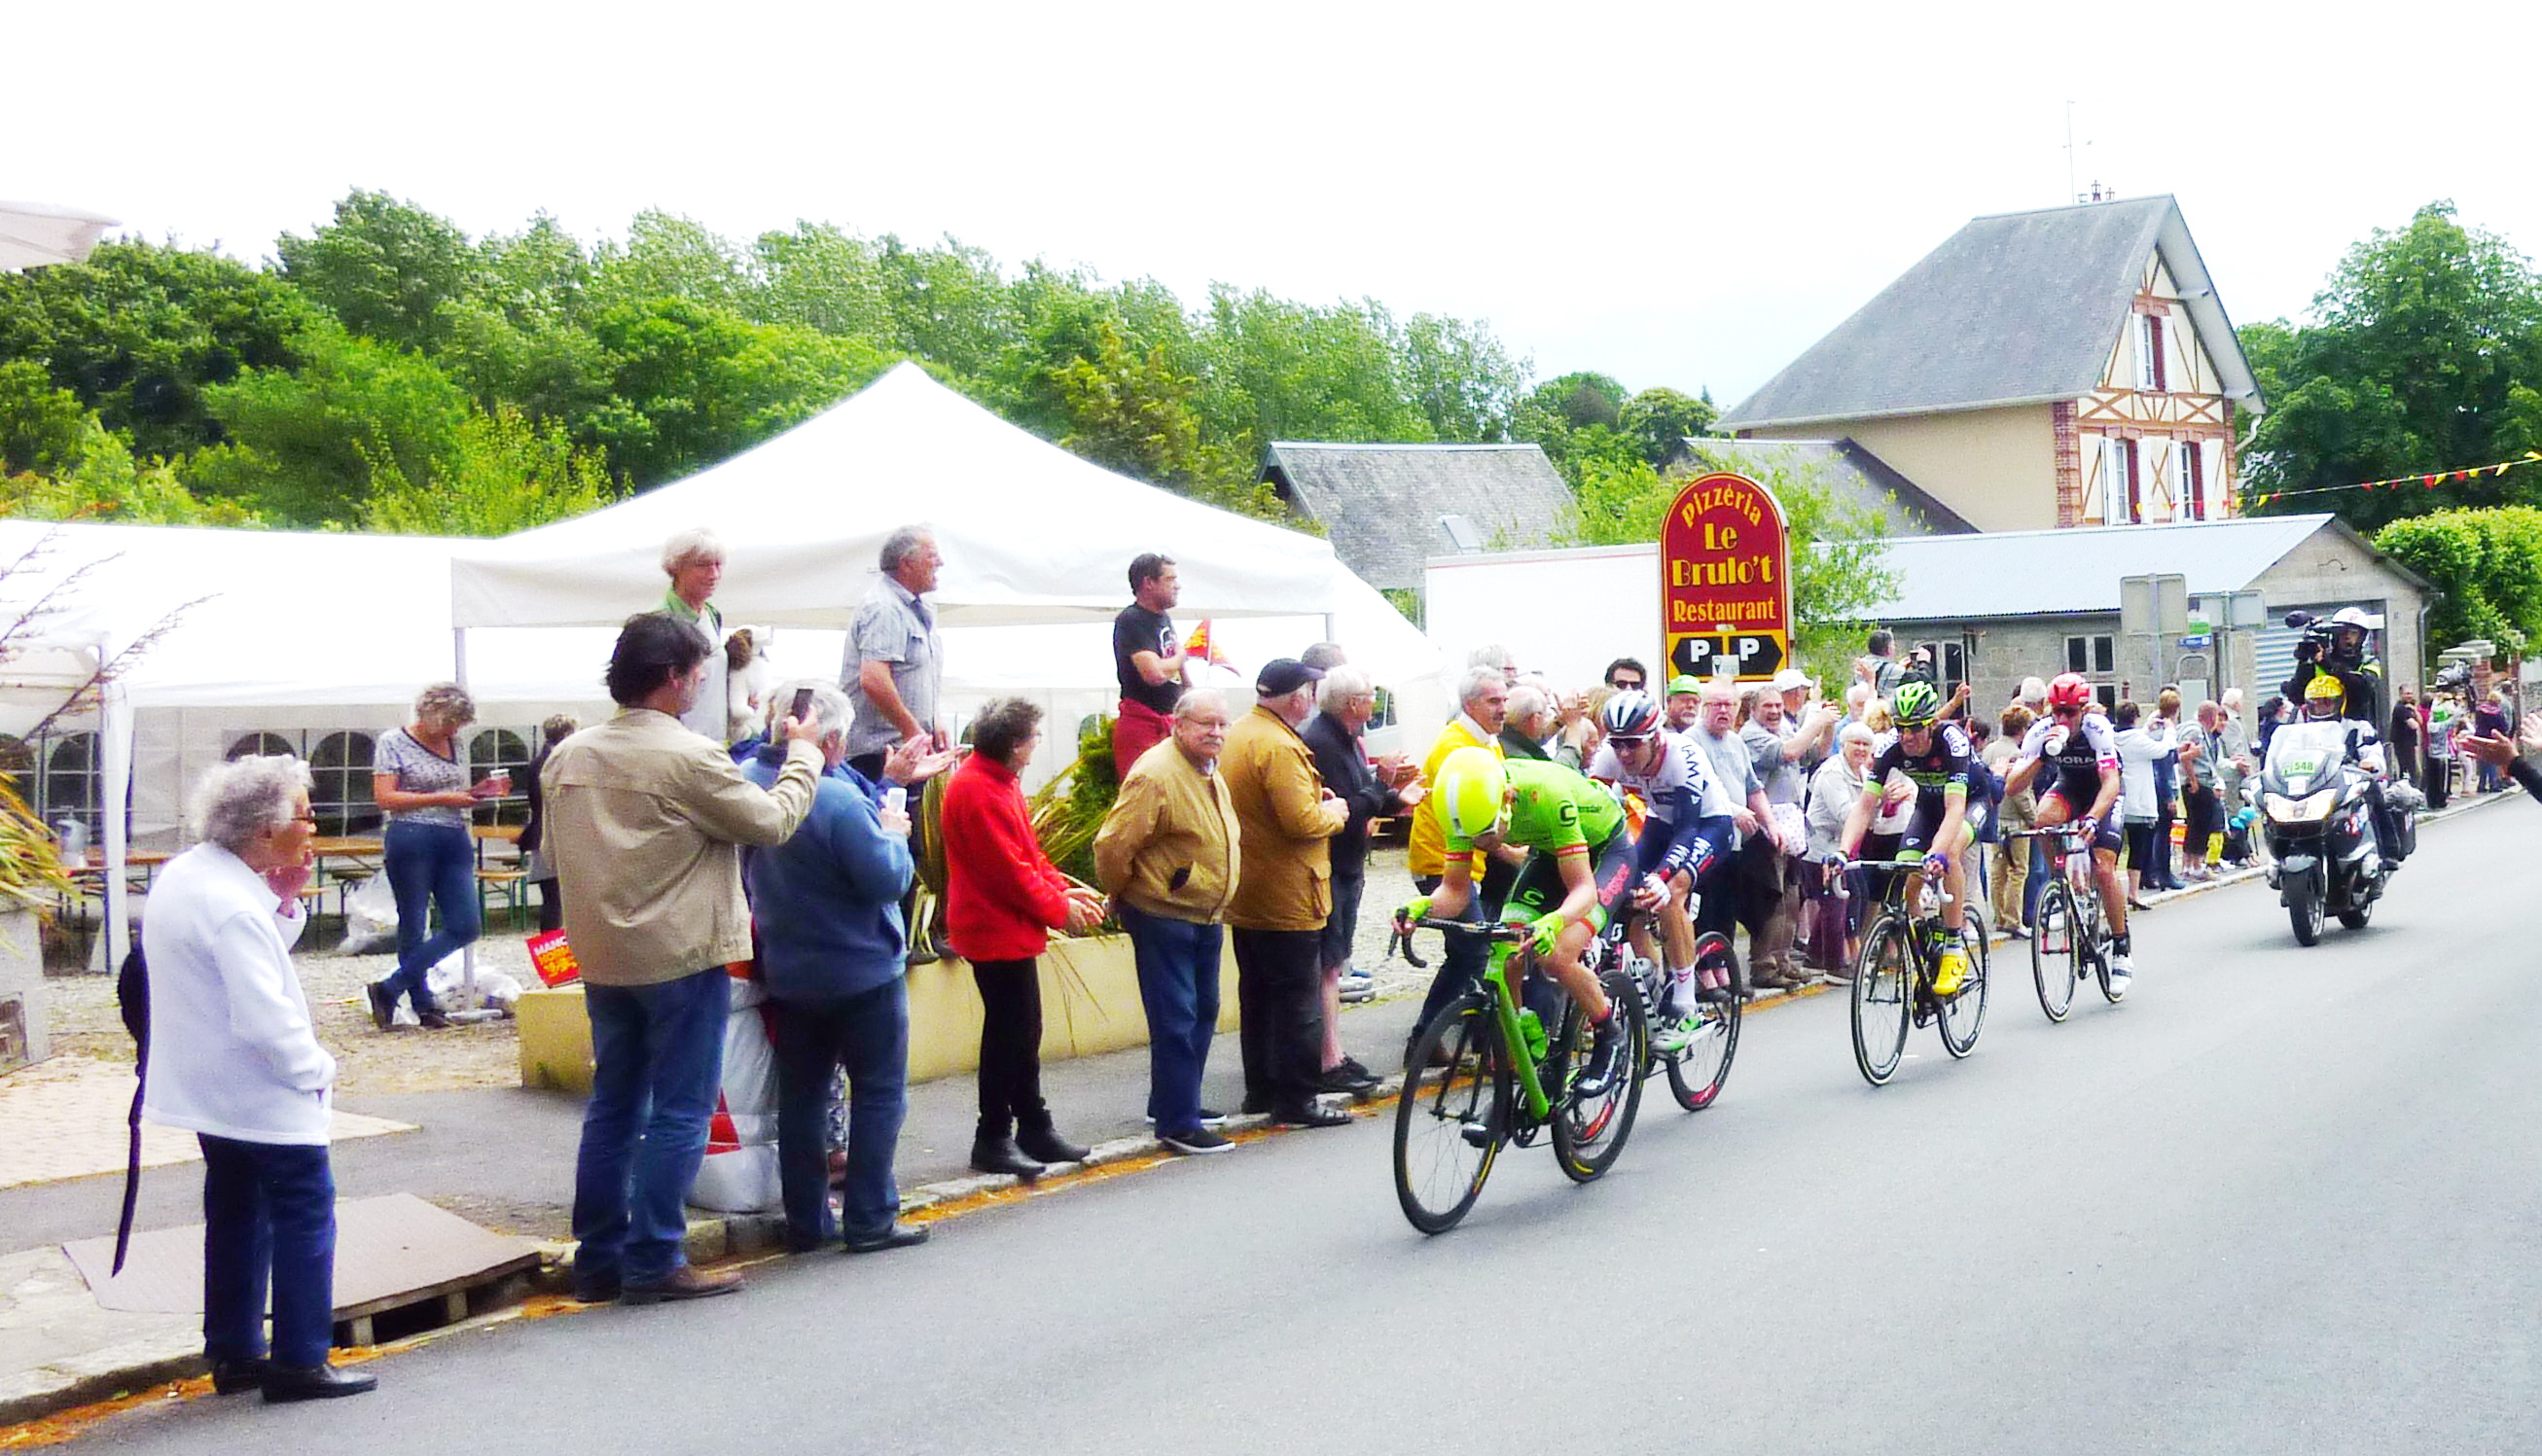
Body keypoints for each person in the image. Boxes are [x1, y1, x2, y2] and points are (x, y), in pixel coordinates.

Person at [543, 612, 823, 1304]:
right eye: (698, 672)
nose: (702, 682)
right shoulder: (687, 754)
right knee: (680, 1108)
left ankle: (600, 1255)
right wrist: (804, 757)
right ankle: (655, 1255)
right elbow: (770, 822)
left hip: (605, 955)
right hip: (681, 952)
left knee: (613, 1105)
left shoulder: (568, 755)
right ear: (673, 678)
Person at [142, 756, 376, 1403]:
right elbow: (265, 1018)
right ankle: (300, 1360)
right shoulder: (230, 904)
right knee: (303, 1211)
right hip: (257, 1089)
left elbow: (248, 951)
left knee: (237, 1212)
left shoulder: (192, 874)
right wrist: (319, 1069)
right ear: (264, 831)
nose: (314, 826)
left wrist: (287, 896)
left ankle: (238, 1348)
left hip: (207, 1086)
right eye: (304, 814)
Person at [739, 682, 929, 1255]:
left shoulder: (750, 785)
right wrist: (895, 831)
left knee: (803, 1097)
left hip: (790, 969)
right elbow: (887, 880)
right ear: (835, 741)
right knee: (878, 1093)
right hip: (861, 970)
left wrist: (891, 782)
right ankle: (870, 1217)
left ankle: (807, 1220)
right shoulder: (837, 801)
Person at [1401, 750, 1633, 1097]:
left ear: (1507, 799)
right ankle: (1520, 1053)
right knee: (1504, 950)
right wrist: (1422, 906)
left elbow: (1583, 889)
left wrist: (1555, 921)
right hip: (1549, 851)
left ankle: (1609, 1036)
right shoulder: (1461, 809)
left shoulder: (1548, 794)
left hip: (1605, 851)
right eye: (1475, 838)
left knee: (1556, 955)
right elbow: (1455, 891)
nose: (1484, 843)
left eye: (1488, 833)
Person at [941, 697, 1108, 1179]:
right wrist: (1062, 908)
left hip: (1003, 926)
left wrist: (1064, 891)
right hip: (992, 928)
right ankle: (993, 1134)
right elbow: (1008, 873)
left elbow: (1028, 857)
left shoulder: (995, 781)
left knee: (1020, 1032)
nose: (1036, 745)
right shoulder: (978, 790)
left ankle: (1032, 1125)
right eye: (1033, 738)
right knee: (1009, 1035)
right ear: (1015, 745)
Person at [1094, 690, 1240, 1155]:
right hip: (1164, 911)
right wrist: (1124, 890)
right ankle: (1179, 1122)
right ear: (1179, 725)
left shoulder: (1207, 768)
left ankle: (1176, 1102)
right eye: (1205, 724)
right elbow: (1112, 845)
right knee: (1177, 1016)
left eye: (1221, 724)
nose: (1215, 733)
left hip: (1202, 911)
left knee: (1202, 1010)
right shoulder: (1157, 774)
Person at [1220, 659, 1352, 1128]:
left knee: (1256, 996)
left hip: (1249, 889)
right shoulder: (1278, 745)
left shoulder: (1241, 732)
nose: (1313, 701)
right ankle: (1297, 1098)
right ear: (1298, 697)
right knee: (1297, 999)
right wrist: (1336, 810)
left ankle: (1261, 1089)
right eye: (1311, 692)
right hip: (1289, 893)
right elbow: (1302, 820)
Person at [1586, 690, 1738, 1029]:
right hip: (1659, 825)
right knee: (1627, 898)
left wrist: (1664, 874)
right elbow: (1589, 811)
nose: (1624, 753)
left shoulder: (1683, 755)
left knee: (1670, 892)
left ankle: (1686, 1002)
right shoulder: (1609, 757)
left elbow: (1687, 829)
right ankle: (1651, 982)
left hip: (1708, 826)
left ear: (1655, 737)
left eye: (1634, 743)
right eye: (1618, 743)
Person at [1302, 666, 1419, 1096]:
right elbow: (1347, 809)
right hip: (1331, 866)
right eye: (1371, 697)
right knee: (1328, 965)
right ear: (1353, 703)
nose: (1374, 704)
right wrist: (1383, 783)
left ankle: (1330, 1054)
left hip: (1346, 866)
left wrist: (1392, 797)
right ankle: (1327, 1058)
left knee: (1333, 963)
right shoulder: (1323, 742)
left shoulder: (1343, 737)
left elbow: (1360, 799)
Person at [367, 683, 505, 1031]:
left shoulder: (454, 744)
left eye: (458, 724)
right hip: (411, 835)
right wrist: (444, 797)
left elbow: (452, 791)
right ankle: (423, 1002)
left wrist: (475, 793)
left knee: (465, 924)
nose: (454, 730)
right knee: (413, 921)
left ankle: (391, 987)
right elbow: (385, 798)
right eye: (449, 722)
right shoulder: (392, 742)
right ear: (429, 715)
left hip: (453, 835)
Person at [1829, 679, 1976, 996]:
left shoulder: (1952, 742)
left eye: (1915, 728)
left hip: (1972, 802)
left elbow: (1954, 809)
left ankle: (1953, 945)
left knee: (1948, 855)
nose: (1907, 736)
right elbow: (1864, 806)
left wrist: (1936, 852)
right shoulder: (1889, 746)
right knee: (1907, 874)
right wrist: (1843, 852)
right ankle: (1925, 947)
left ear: (1932, 724)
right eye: (1901, 727)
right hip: (1928, 806)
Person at [1405, 664, 1513, 1054]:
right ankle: (1425, 1039)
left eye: (1505, 699)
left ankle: (1478, 1035)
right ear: (1470, 703)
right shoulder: (1457, 745)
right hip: (1441, 861)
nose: (1503, 708)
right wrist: (1511, 853)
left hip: (1468, 862)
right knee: (1473, 949)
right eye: (1493, 701)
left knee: (1471, 951)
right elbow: (1474, 821)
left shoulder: (1487, 740)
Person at [1690, 679, 1784, 990]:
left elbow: (1753, 788)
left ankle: (1725, 970)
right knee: (1706, 909)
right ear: (1705, 707)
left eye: (1729, 705)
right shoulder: (1692, 741)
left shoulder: (1736, 742)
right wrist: (1734, 810)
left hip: (1735, 842)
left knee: (1728, 908)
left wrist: (1770, 824)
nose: (1723, 711)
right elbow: (1699, 788)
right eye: (1716, 704)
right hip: (1703, 840)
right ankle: (1704, 975)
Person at [1742, 678, 1837, 983]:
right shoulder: (1751, 735)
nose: (1774, 712)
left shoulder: (1785, 728)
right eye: (1768, 706)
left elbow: (1816, 753)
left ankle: (1783, 960)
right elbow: (1790, 752)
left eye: (1778, 706)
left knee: (1792, 896)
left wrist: (1828, 725)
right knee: (1771, 896)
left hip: (1792, 824)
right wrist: (1816, 721)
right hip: (1764, 825)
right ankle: (1763, 965)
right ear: (1753, 709)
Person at [844, 524, 947, 778]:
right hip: (879, 754)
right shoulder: (885, 609)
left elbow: (917, 674)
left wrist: (935, 718)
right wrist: (913, 731)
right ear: (907, 564)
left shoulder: (915, 610)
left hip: (903, 749)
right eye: (932, 556)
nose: (940, 563)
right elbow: (874, 679)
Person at [1804, 721, 1876, 976]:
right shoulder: (1833, 772)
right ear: (1843, 745)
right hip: (1821, 848)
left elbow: (1870, 817)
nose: (1861, 748)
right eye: (1855, 743)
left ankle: (1814, 956)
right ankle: (1835, 965)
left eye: (1866, 744)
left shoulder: (1864, 774)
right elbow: (1846, 813)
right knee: (1836, 901)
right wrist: (1879, 800)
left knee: (1847, 897)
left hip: (1844, 847)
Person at [1112, 552, 1191, 783]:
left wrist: (1189, 688)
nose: (1178, 586)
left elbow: (1171, 664)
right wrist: (1181, 657)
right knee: (1146, 792)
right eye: (1170, 579)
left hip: (1168, 718)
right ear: (1148, 583)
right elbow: (1154, 674)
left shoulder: (1162, 618)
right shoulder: (1132, 619)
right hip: (1143, 724)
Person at [659, 528, 733, 744]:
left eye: (718, 565)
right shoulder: (659, 621)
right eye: (703, 565)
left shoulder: (712, 614)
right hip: (678, 745)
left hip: (714, 742)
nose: (714, 574)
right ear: (676, 567)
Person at [2111, 702, 2173, 911]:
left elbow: (2137, 739)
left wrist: (2147, 728)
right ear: (2135, 718)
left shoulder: (2112, 738)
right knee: (2138, 850)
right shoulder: (2137, 740)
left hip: (2116, 801)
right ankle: (2133, 893)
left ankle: (2111, 891)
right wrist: (2170, 730)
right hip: (2138, 803)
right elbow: (2162, 750)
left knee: (2114, 850)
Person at [2283, 606, 2386, 732]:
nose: (2347, 637)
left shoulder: (2369, 662)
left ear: (2362, 637)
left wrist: (2326, 663)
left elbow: (2363, 689)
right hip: (2319, 733)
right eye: (2342, 632)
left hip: (2356, 733)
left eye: (2353, 632)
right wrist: (2304, 662)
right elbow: (2297, 696)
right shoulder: (2318, 660)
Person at [519, 714, 577, 934]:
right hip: (550, 837)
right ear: (567, 734)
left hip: (544, 835)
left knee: (554, 902)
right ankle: (555, 967)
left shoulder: (542, 761)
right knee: (554, 903)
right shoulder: (552, 763)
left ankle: (561, 965)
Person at [1984, 705, 2035, 938]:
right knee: (2018, 871)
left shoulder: (1989, 750)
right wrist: (2034, 818)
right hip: (2015, 820)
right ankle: (2014, 919)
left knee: (1998, 870)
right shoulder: (2017, 755)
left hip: (1995, 818)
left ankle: (2000, 916)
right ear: (2022, 729)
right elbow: (2020, 792)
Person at [2387, 686, 2425, 791]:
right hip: (2402, 743)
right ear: (2401, 695)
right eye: (2407, 693)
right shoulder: (2400, 708)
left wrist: (2415, 710)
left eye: (2411, 693)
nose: (2410, 696)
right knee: (2409, 770)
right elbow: (2415, 725)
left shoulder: (2409, 707)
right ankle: (2409, 791)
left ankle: (2411, 791)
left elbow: (2420, 722)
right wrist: (2414, 718)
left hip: (2410, 743)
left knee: (2412, 769)